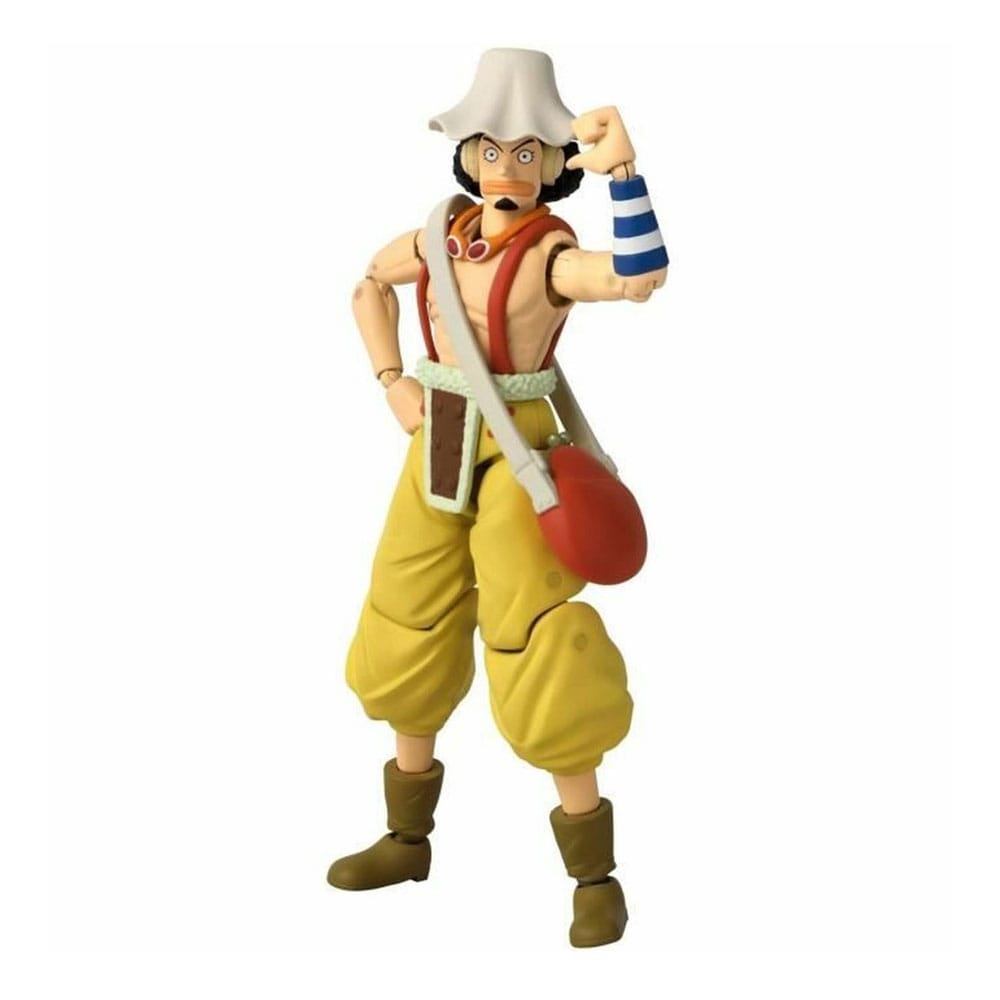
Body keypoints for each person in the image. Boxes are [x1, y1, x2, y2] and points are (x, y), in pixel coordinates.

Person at [327, 48, 668, 948]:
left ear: (555, 162)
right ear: (466, 154)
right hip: (434, 442)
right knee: (407, 619)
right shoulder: (437, 235)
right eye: (489, 148)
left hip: (520, 454)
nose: (505, 167)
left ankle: (594, 878)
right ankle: (407, 840)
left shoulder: (551, 254)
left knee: (539, 640)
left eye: (525, 152)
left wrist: (625, 175)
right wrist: (392, 380)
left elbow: (636, 277)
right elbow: (368, 284)